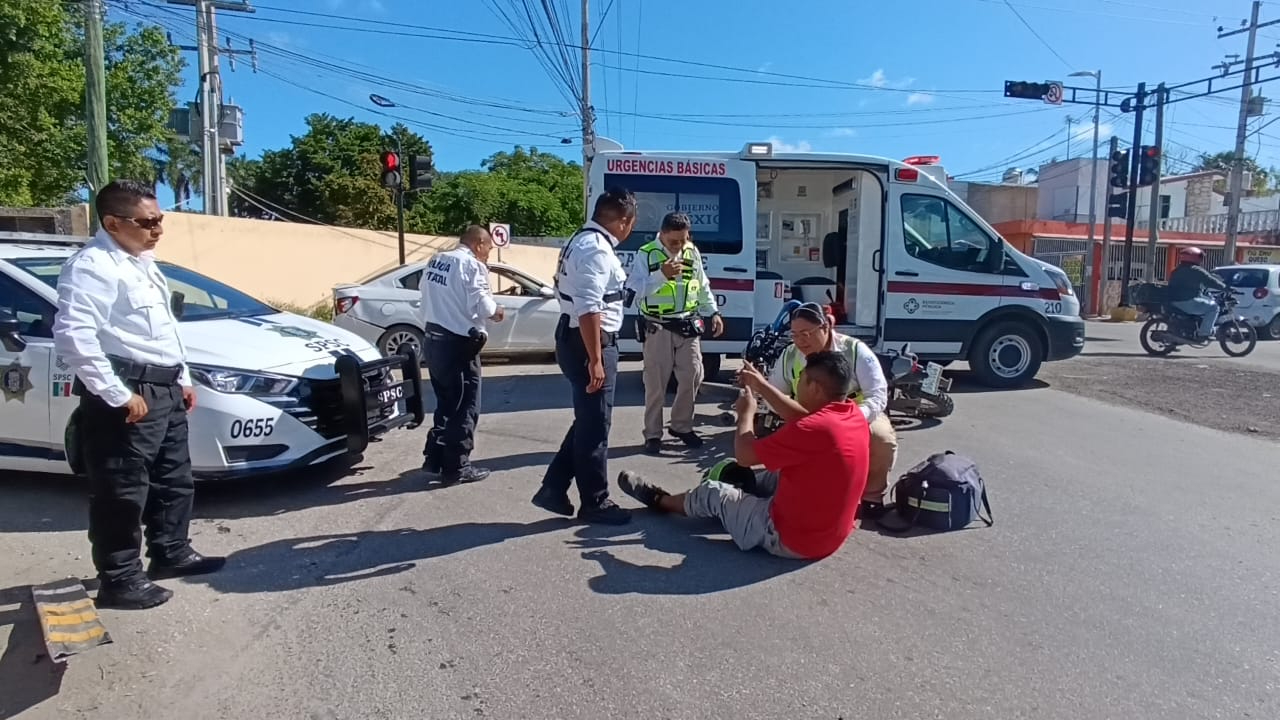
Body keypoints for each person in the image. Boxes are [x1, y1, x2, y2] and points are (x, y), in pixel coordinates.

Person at [52, 179, 225, 610]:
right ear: (112, 222)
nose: (157, 230)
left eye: (160, 220)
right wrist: (116, 393)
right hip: (130, 391)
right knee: (122, 491)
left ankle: (170, 551)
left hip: (163, 387)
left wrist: (181, 378)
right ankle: (120, 578)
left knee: (174, 480)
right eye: (147, 222)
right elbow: (74, 336)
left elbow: (162, 331)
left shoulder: (142, 262)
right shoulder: (93, 266)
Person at [616, 351, 870, 560]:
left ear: (814, 387)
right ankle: (735, 506)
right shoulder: (851, 415)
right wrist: (760, 386)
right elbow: (803, 418)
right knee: (772, 472)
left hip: (791, 539)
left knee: (714, 491)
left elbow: (744, 456)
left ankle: (661, 501)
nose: (796, 383)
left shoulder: (812, 429)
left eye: (801, 378)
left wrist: (746, 414)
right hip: (830, 534)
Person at [530, 188, 636, 525]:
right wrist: (596, 359)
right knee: (595, 427)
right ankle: (595, 502)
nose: (629, 229)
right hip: (589, 340)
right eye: (630, 223)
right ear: (622, 221)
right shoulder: (595, 249)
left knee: (589, 421)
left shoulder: (583, 239)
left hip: (578, 337)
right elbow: (590, 307)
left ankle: (554, 487)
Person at [765, 301, 895, 515]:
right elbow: (774, 394)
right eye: (795, 335)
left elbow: (877, 393)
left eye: (806, 333)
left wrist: (855, 419)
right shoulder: (789, 355)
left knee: (881, 438)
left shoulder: (855, 350)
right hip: (808, 416)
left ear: (825, 327)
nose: (799, 341)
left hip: (854, 414)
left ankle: (871, 497)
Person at [623, 211, 724, 453]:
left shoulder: (692, 251)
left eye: (683, 240)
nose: (679, 246)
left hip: (687, 324)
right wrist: (661, 275)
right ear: (663, 234)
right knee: (656, 384)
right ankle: (653, 434)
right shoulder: (647, 253)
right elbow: (633, 292)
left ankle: (681, 425)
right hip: (657, 326)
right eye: (674, 241)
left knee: (693, 375)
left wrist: (713, 312)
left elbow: (702, 284)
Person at [419, 224, 504, 485]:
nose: (488, 254)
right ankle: (457, 466)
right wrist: (497, 312)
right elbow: (481, 302)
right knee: (465, 407)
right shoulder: (472, 265)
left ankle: (434, 458)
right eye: (488, 248)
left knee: (446, 403)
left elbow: (425, 291)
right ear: (478, 244)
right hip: (459, 344)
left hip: (433, 340)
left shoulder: (437, 260)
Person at [1167, 246, 1226, 340]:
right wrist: (1226, 288)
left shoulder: (1177, 270)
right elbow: (1210, 281)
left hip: (1175, 301)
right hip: (1187, 301)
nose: (1201, 260)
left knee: (1204, 301)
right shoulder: (1196, 270)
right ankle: (1204, 333)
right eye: (1200, 257)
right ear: (1195, 258)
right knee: (1214, 308)